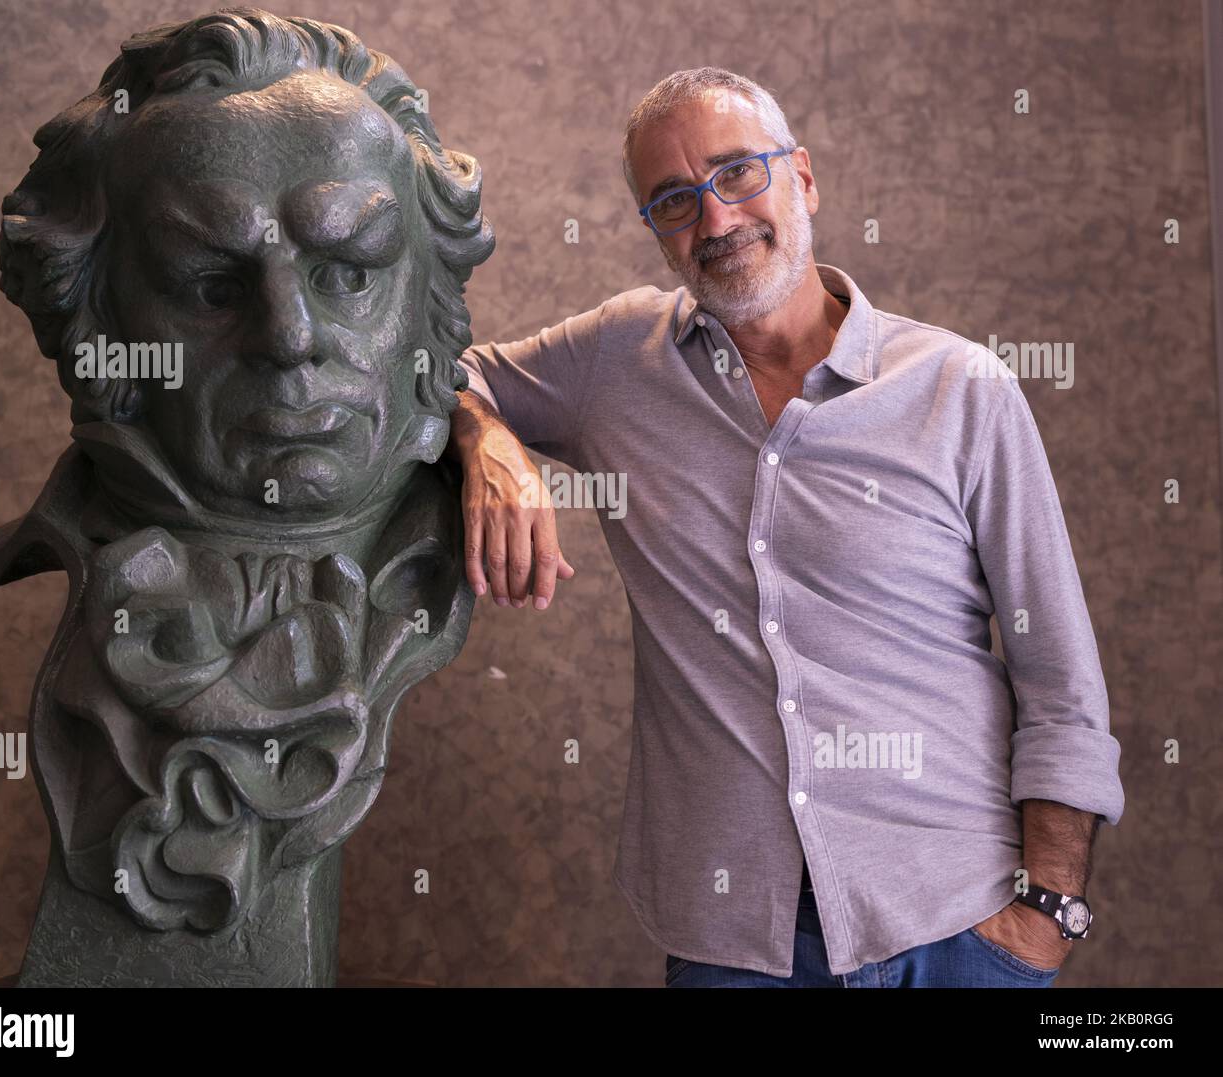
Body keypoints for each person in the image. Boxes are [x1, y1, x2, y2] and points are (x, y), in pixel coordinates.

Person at [448, 67, 1123, 987]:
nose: (716, 220)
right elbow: (432, 368)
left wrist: (1045, 911)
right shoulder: (618, 359)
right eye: (674, 201)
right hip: (738, 947)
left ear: (802, 179)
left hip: (961, 928)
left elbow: (1061, 674)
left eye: (737, 175)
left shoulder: (963, 389)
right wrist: (484, 435)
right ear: (653, 228)